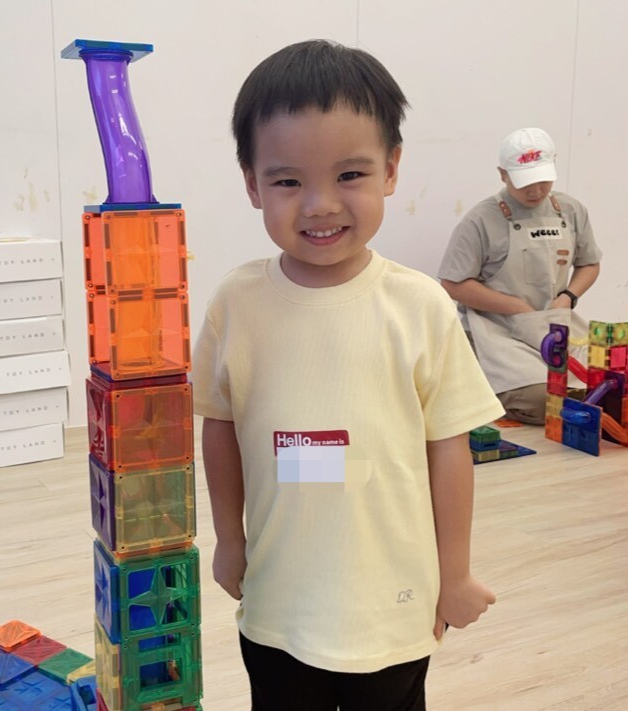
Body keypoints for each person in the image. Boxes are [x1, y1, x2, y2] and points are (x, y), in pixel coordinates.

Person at [192, 40, 504, 711]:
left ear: (390, 169)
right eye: (287, 181)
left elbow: (448, 446)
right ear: (251, 183)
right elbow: (220, 427)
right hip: (277, 602)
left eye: (350, 175)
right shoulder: (236, 303)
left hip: (391, 606)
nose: (319, 204)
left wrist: (455, 574)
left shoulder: (418, 305)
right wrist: (228, 540)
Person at [438, 127, 602, 424]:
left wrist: (568, 296)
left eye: (543, 180)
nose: (536, 191)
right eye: (525, 182)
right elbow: (453, 283)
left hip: (554, 324)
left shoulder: (570, 210)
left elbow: (590, 264)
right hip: (498, 331)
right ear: (503, 174)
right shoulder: (481, 219)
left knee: (607, 379)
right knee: (546, 400)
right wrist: (515, 307)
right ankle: (487, 387)